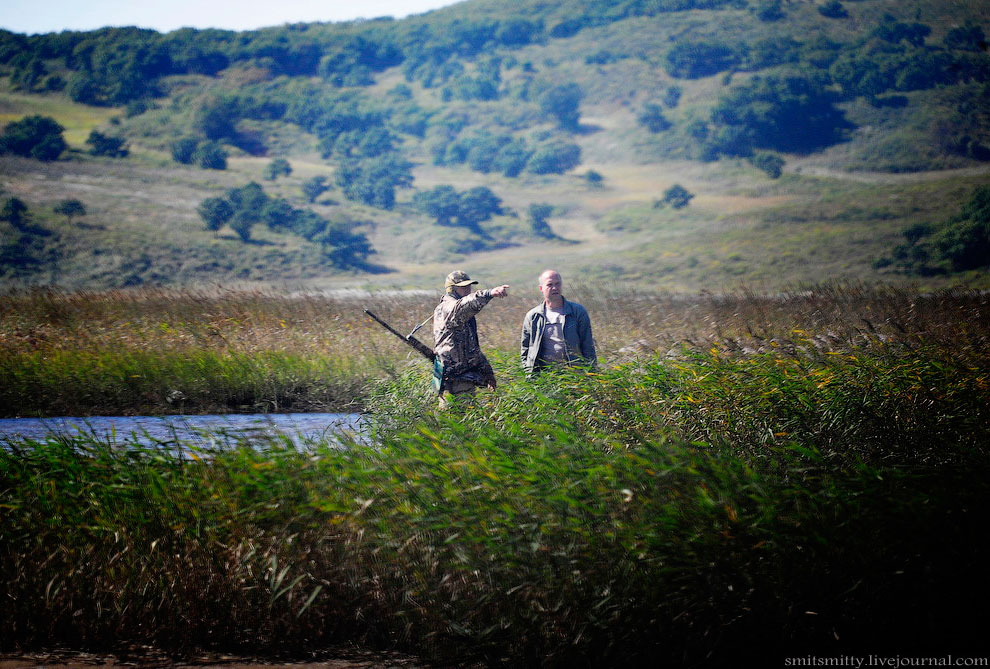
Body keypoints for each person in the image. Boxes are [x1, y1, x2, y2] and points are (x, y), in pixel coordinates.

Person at [432, 270, 510, 407]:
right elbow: (465, 305)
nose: (468, 289)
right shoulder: (448, 308)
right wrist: (489, 293)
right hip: (452, 382)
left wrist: (487, 372)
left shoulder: (462, 315)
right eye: (463, 287)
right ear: (452, 289)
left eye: (469, 286)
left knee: (466, 423)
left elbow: (471, 347)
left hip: (464, 380)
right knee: (452, 424)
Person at [520, 269, 597, 376]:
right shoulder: (533, 316)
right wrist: (528, 372)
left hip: (574, 373)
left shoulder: (577, 312)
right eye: (550, 285)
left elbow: (588, 345)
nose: (555, 288)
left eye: (557, 284)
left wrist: (592, 372)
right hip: (544, 375)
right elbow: (525, 348)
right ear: (541, 288)